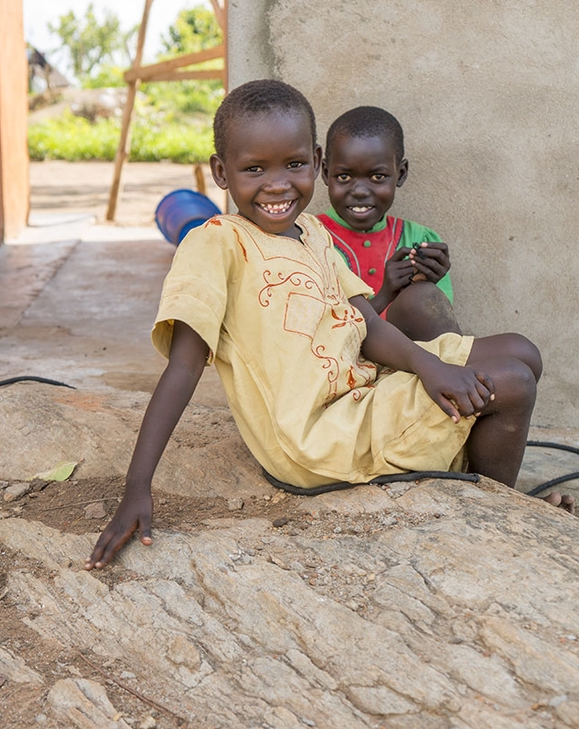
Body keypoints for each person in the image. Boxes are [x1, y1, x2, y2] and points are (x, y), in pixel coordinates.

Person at [86, 80, 569, 570]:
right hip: (317, 436)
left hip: (359, 390)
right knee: (512, 382)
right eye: (254, 169)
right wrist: (137, 487)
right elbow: (184, 368)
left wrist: (428, 367)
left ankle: (474, 469)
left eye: (293, 165)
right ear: (221, 173)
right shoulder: (216, 244)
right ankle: (498, 505)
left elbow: (365, 323)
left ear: (315, 162)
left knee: (522, 349)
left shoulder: (313, 232)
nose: (277, 185)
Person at [318, 106, 460, 341]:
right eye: (344, 176)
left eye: (377, 177)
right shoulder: (309, 238)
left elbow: (439, 329)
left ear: (401, 173)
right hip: (339, 367)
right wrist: (385, 294)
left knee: (520, 355)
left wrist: (428, 286)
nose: (361, 191)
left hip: (413, 363)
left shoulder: (421, 240)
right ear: (325, 172)